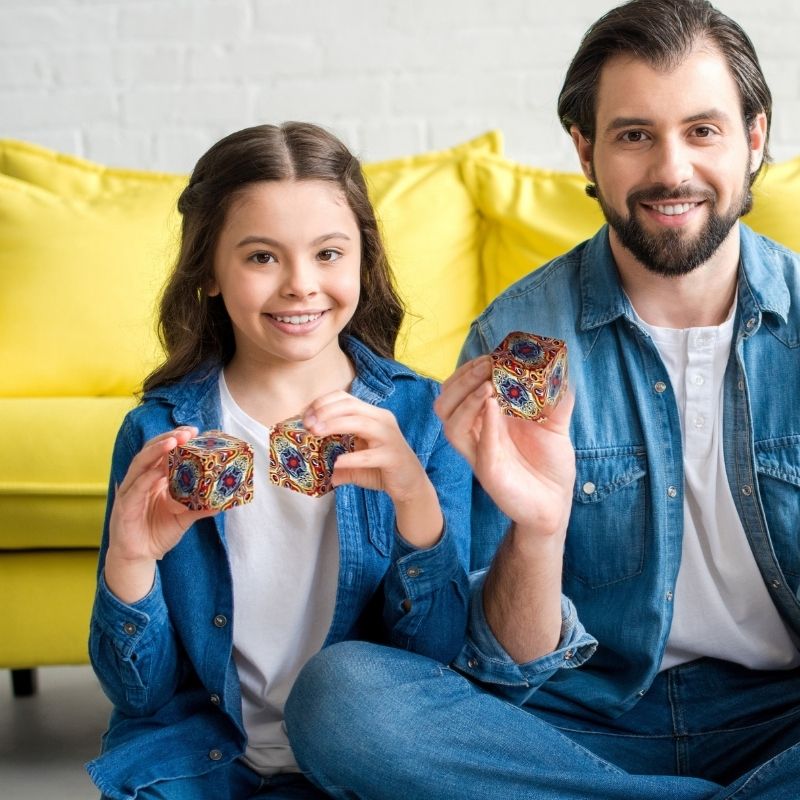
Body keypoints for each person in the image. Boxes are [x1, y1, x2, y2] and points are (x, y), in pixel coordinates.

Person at [283, 1, 800, 798]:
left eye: (703, 130)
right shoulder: (518, 337)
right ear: (585, 151)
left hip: (783, 718)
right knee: (343, 700)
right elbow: (508, 664)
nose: (672, 169)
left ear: (754, 138)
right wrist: (539, 525)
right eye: (635, 135)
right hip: (573, 726)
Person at [85, 122, 471, 800]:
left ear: (362, 263)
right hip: (203, 760)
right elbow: (138, 693)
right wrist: (130, 559)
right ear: (207, 269)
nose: (300, 285)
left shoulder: (422, 420)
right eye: (262, 257)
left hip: (357, 763)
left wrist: (416, 501)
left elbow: (435, 665)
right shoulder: (157, 433)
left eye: (328, 253)